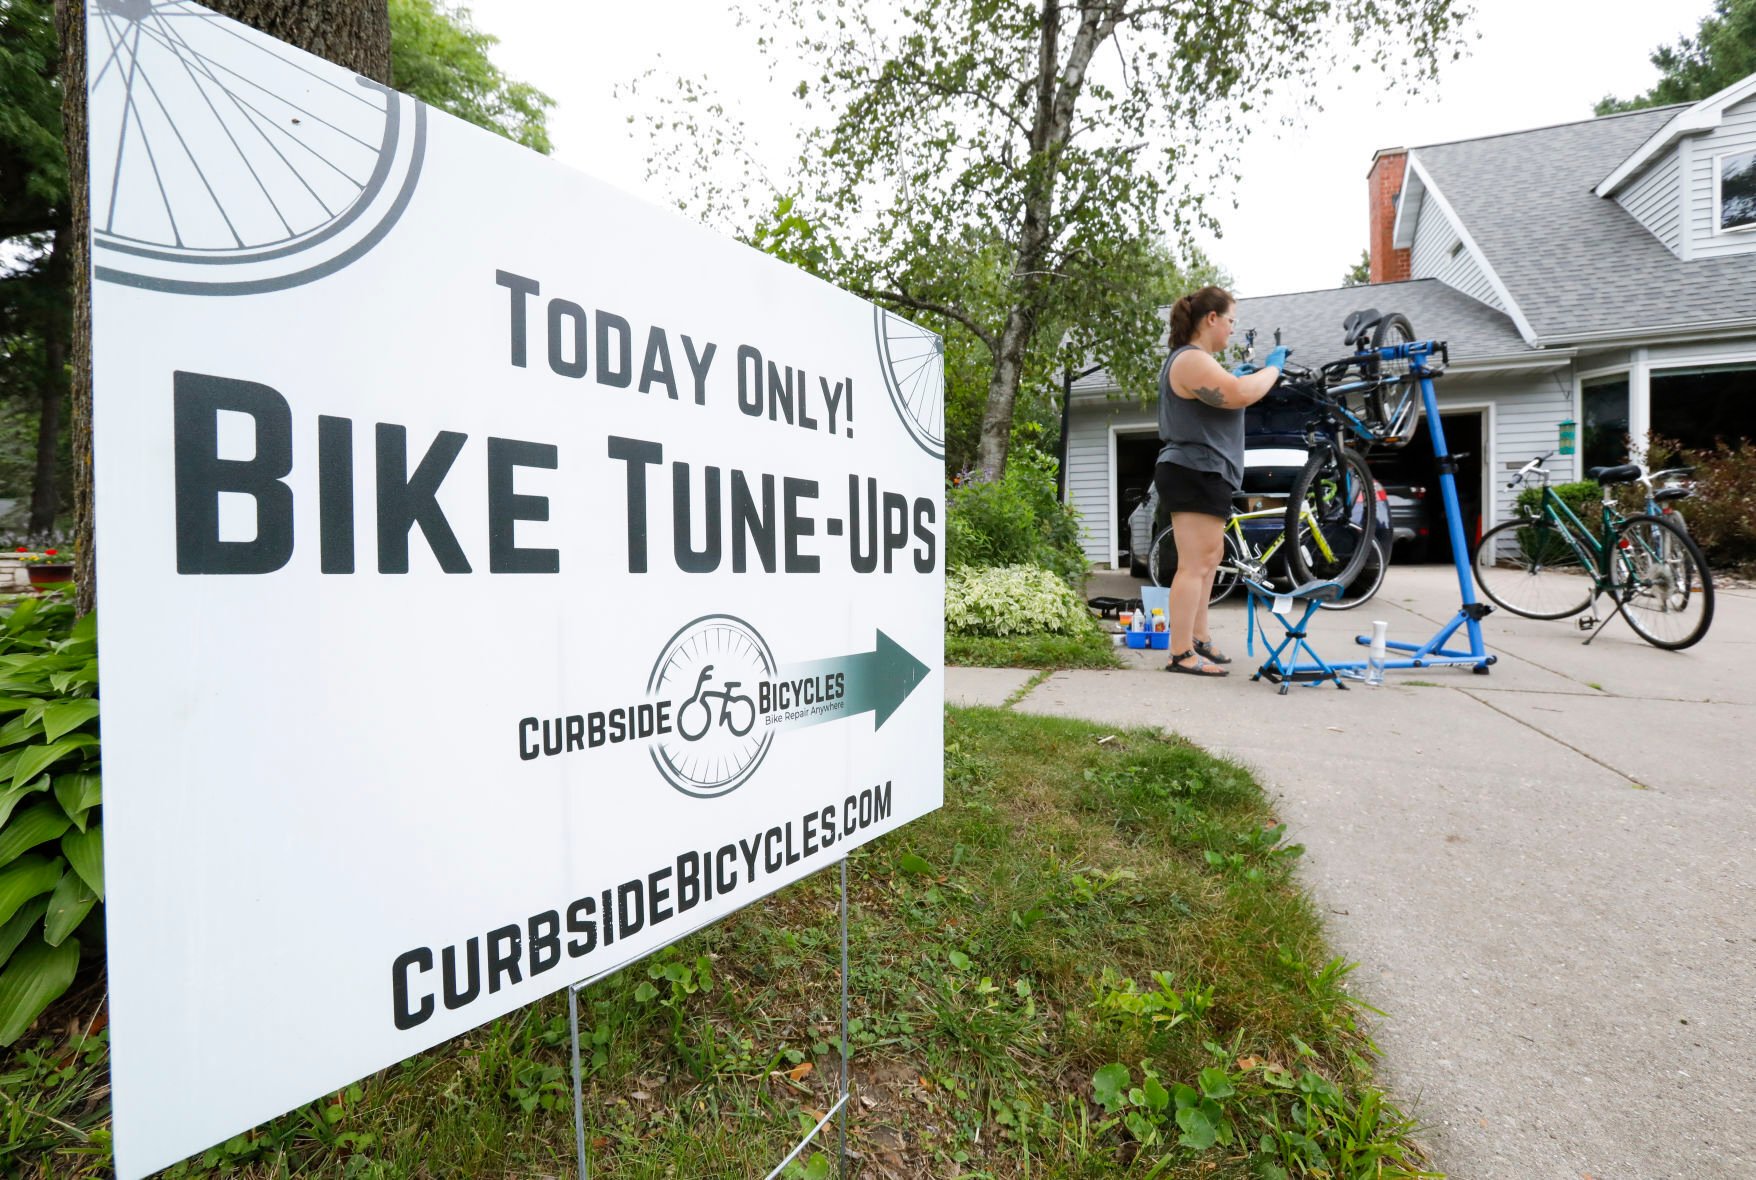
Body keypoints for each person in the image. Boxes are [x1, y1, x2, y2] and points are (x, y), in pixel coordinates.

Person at [1155, 286, 1287, 676]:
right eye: (1231, 320)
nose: (1232, 329)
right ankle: (1180, 653)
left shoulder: (1198, 361)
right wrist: (1272, 369)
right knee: (1193, 564)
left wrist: (1236, 376)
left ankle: (1198, 638)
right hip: (1194, 468)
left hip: (1207, 470)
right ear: (1211, 319)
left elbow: (1227, 390)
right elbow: (1239, 393)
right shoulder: (1190, 360)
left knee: (1210, 559)